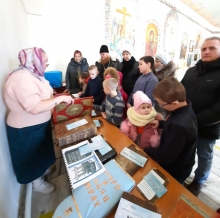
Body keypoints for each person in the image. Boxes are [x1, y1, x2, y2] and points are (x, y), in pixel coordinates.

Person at [4, 47, 74, 194]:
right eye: (45, 62)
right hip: (26, 129)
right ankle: (37, 183)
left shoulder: (33, 73)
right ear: (34, 61)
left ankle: (42, 170)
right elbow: (34, 107)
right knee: (32, 156)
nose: (47, 65)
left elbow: (42, 93)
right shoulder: (22, 78)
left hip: (38, 125)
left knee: (41, 151)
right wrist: (59, 98)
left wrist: (52, 95)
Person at [181, 36, 220, 196]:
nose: (207, 51)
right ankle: (182, 174)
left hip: (207, 127)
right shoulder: (192, 71)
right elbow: (180, 92)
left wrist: (195, 120)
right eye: (204, 49)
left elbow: (218, 110)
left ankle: (199, 180)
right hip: (185, 123)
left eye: (212, 48)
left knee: (204, 155)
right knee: (184, 151)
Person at [144, 77, 197, 184]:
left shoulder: (180, 126)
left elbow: (166, 156)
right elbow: (172, 124)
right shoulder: (185, 107)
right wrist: (161, 123)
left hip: (175, 170)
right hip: (177, 160)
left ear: (175, 103)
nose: (160, 106)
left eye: (161, 104)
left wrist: (146, 150)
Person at [154, 51, 176, 117]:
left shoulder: (169, 77)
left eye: (157, 61)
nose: (155, 63)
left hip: (164, 105)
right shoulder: (158, 74)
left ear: (163, 64)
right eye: (155, 61)